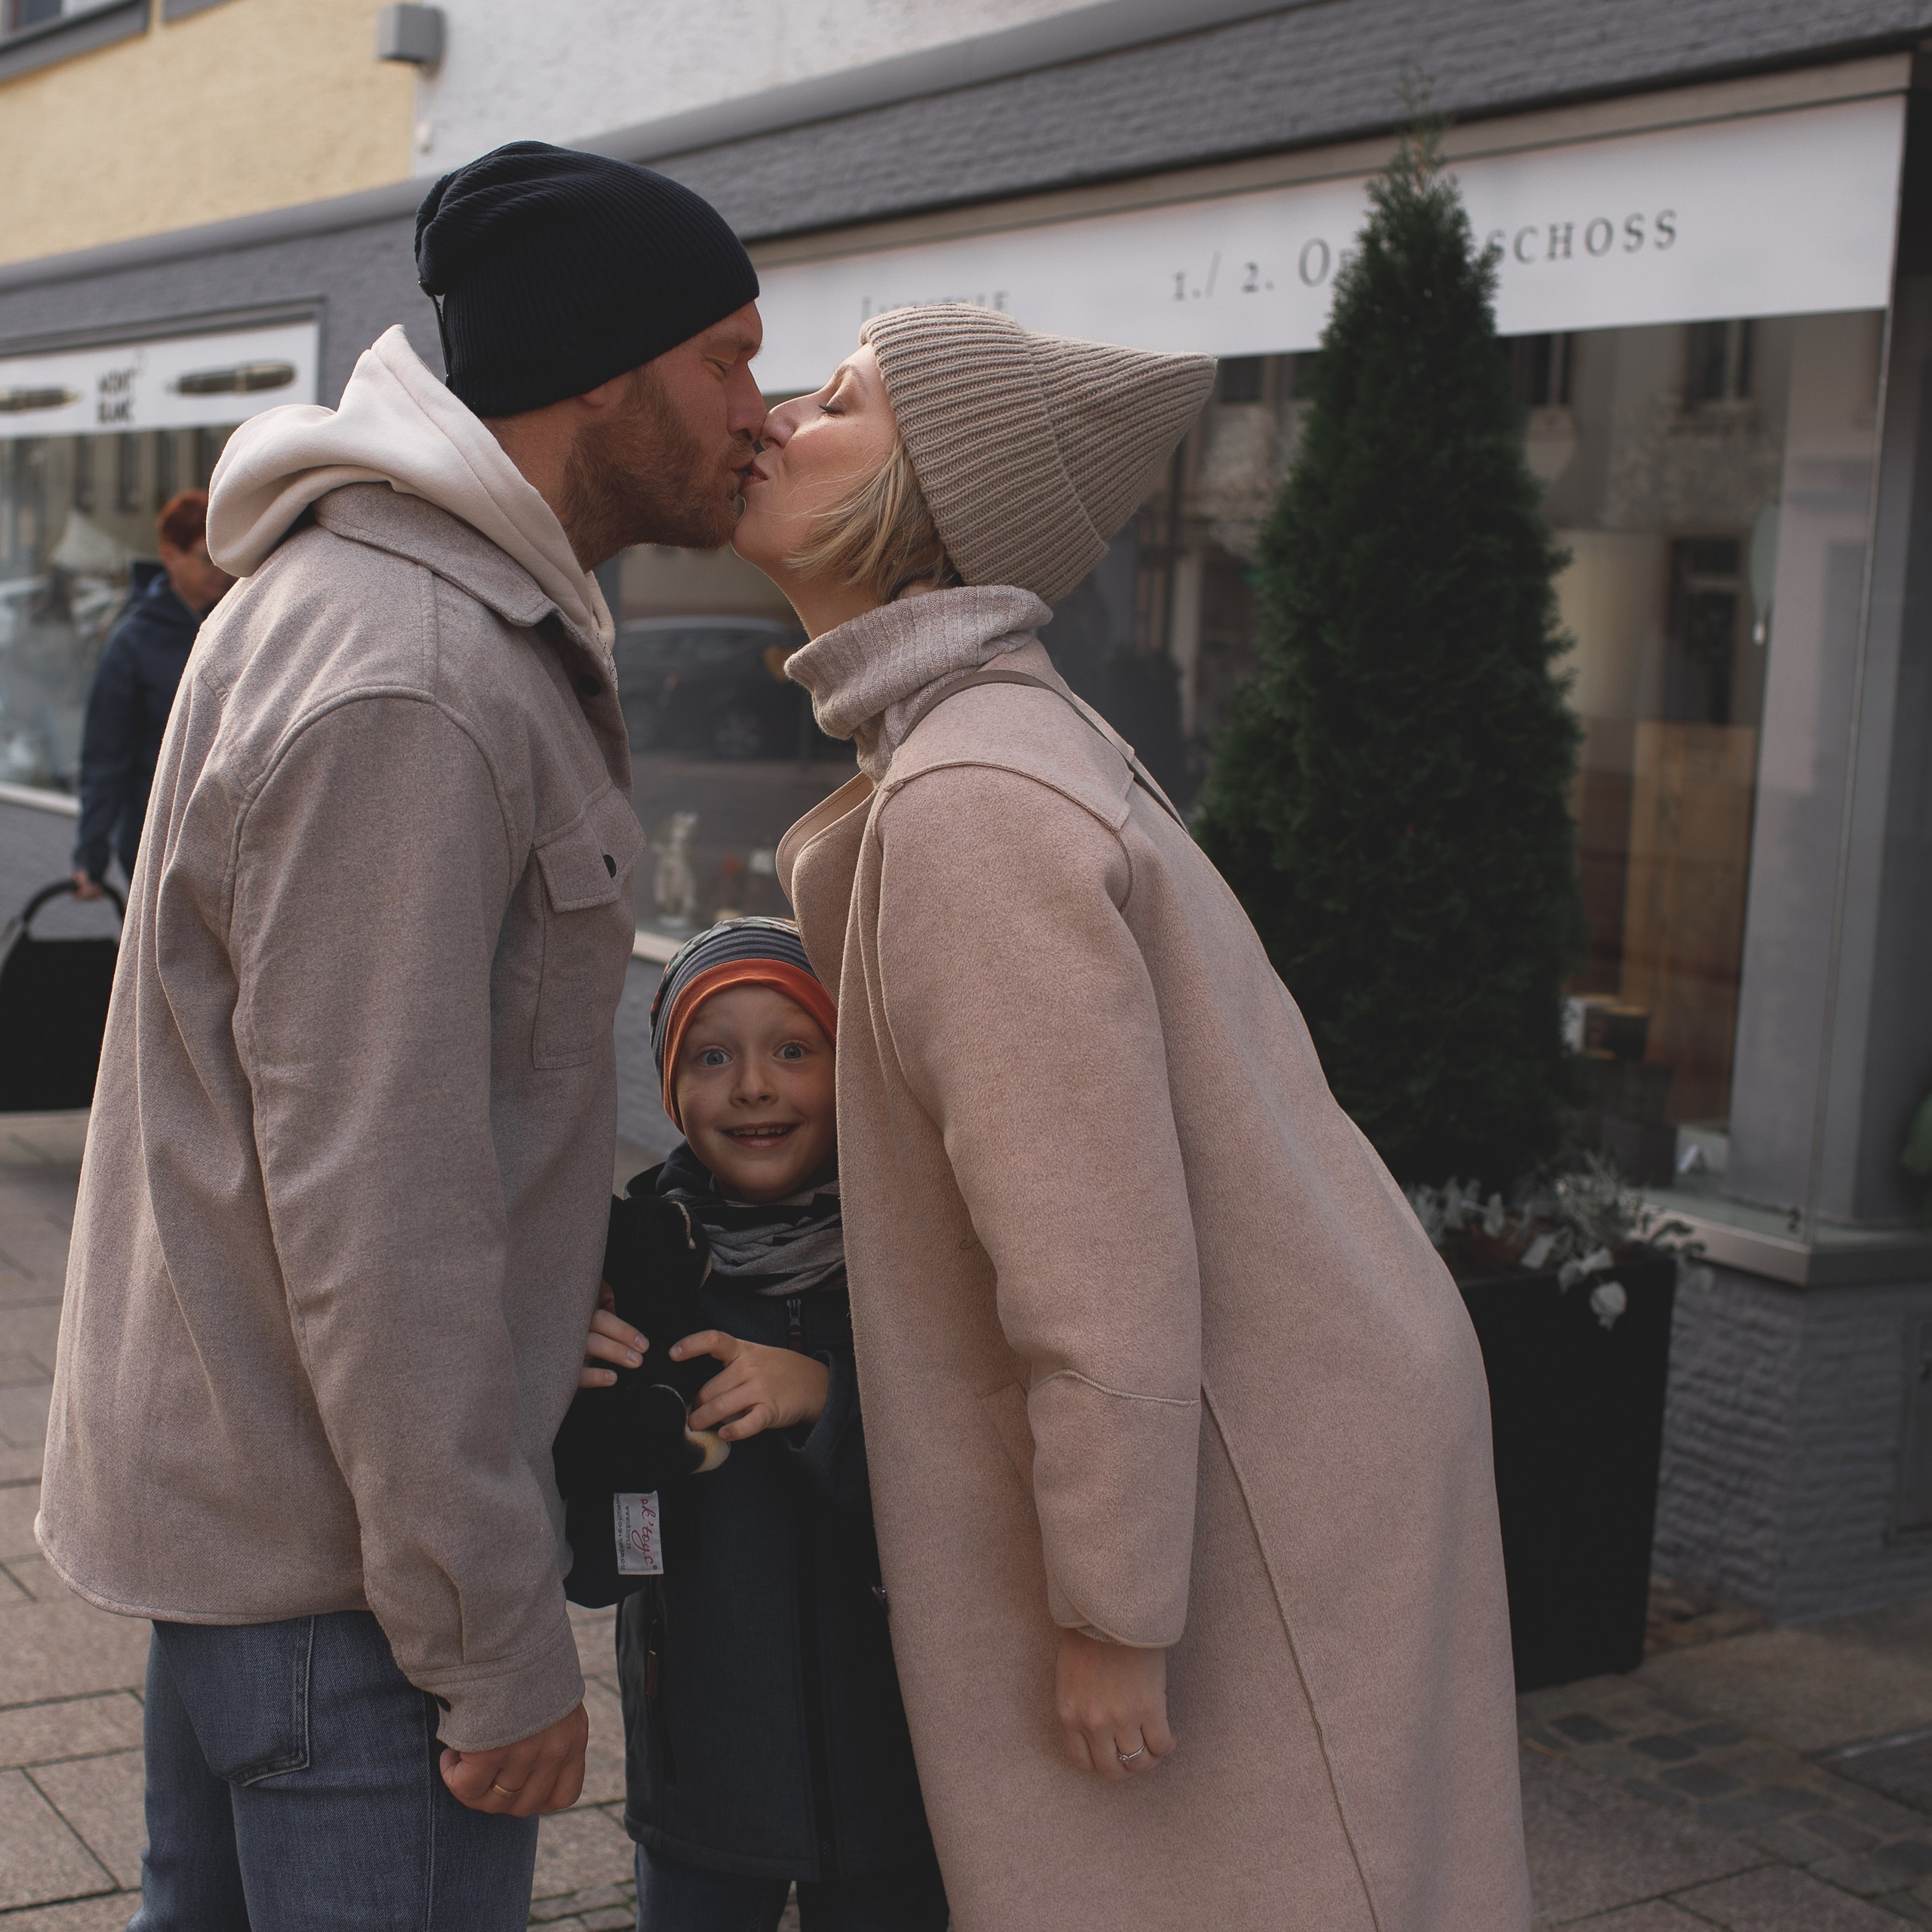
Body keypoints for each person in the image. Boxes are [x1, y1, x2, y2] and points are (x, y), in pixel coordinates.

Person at [731, 305, 1534, 1932]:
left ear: (929, 505)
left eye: (839, 403)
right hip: (1279, 1423)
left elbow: (1084, 1253)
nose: (772, 416)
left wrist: (1109, 1604)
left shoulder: (967, 797)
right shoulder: (976, 750)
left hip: (1251, 1476)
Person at [37, 142, 765, 1932]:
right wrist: (491, 1638)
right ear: (604, 364)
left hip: (266, 1539)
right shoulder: (414, 673)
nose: (761, 406)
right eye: (727, 358)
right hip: (352, 1595)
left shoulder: (371, 604)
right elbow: (382, 1215)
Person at [559, 916, 946, 1932]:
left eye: (793, 1049)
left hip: (897, 1776)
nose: (755, 1087)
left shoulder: (906, 1258)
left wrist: (824, 1396)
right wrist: (569, 1407)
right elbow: (594, 1570)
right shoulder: (622, 1271)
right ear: (667, 1082)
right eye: (713, 1055)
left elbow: (965, 1492)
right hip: (702, 1775)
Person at [69, 489, 231, 900]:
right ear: (170, 556)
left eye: (225, 555)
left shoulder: (236, 625)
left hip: (228, 839)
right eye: (206, 557)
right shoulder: (134, 642)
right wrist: (91, 850)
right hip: (156, 841)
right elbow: (106, 754)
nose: (221, 570)